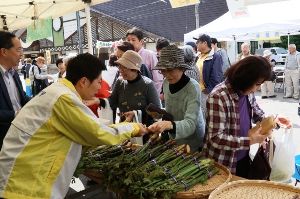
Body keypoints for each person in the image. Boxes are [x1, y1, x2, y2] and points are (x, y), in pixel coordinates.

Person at [0, 53, 148, 199]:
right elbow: (99, 133)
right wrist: (134, 128)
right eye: (98, 81)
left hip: (20, 181)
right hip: (25, 188)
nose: (99, 87)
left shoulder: (58, 91)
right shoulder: (63, 98)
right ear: (83, 81)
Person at [202, 56, 291, 177]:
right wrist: (251, 140)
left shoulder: (247, 91)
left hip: (243, 155)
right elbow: (216, 139)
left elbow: (256, 112)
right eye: (257, 84)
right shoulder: (218, 96)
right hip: (223, 162)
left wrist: (274, 120)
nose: (258, 88)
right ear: (245, 79)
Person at [148, 45, 205, 152]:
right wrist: (160, 113)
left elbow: (190, 123)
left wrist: (169, 124)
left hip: (193, 139)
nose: (167, 75)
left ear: (182, 68)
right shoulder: (166, 83)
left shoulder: (193, 87)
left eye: (170, 70)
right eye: (163, 71)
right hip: (174, 136)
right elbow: (172, 109)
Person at [0, 31, 31, 148]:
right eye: (18, 50)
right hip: (3, 140)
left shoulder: (14, 74)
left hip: (20, 135)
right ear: (4, 52)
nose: (21, 54)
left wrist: (40, 100)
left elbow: (22, 97)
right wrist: (14, 114)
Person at [126, 27, 163, 95]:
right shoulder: (126, 56)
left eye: (133, 40)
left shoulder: (150, 55)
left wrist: (154, 96)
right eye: (128, 40)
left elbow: (157, 79)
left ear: (141, 41)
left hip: (148, 94)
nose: (130, 42)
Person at [194, 34, 223, 117]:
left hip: (205, 93)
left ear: (205, 43)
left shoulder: (215, 56)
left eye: (198, 42)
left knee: (206, 116)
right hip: (196, 92)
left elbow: (216, 76)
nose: (196, 44)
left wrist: (208, 90)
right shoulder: (198, 56)